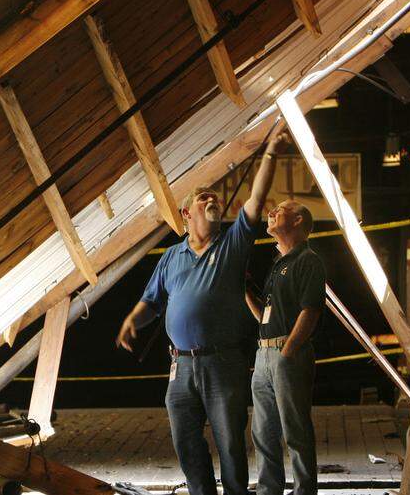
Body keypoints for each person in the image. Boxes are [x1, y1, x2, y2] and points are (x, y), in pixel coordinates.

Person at [115, 127, 286, 495]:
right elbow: (152, 302)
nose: (213, 200)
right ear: (186, 212)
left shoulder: (232, 244)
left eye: (215, 197)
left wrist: (270, 152)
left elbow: (255, 200)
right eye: (204, 197)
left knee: (230, 444)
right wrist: (133, 320)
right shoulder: (172, 257)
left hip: (222, 363)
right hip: (181, 367)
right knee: (187, 442)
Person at [244, 199, 326, 495]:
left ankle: (305, 490)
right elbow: (265, 315)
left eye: (280, 210)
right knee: (263, 431)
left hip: (286, 355)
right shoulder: (279, 263)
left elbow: (311, 310)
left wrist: (288, 351)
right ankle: (269, 489)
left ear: (298, 221)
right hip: (264, 353)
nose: (272, 213)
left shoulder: (308, 260)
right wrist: (245, 292)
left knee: (295, 429)